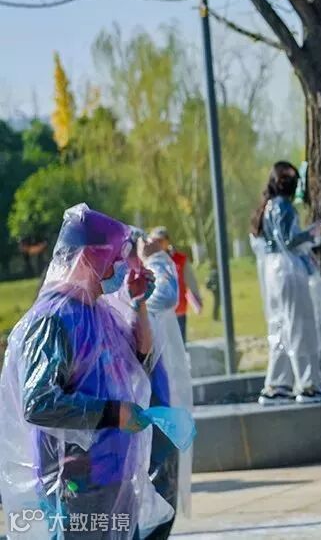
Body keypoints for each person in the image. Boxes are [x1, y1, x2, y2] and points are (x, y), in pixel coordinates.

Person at [0, 204, 173, 540]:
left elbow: (139, 360)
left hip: (113, 473)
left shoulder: (99, 312)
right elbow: (39, 402)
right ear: (89, 257)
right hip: (75, 479)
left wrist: (138, 302)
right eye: (115, 256)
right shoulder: (52, 320)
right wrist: (113, 413)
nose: (121, 265)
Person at [250, 161, 321, 406]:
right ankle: (309, 385)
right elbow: (290, 240)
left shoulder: (269, 207)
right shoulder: (284, 207)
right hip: (289, 272)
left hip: (274, 272)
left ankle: (277, 384)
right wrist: (313, 233)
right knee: (301, 327)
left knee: (282, 329)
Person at [136, 231, 194, 539]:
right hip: (148, 402)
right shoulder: (130, 291)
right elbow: (166, 295)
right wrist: (155, 259)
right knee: (159, 476)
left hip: (151, 400)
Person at [147, 226, 201, 343]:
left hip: (178, 310)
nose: (157, 244)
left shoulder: (180, 259)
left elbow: (191, 280)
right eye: (154, 241)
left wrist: (197, 299)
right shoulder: (147, 260)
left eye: (160, 241)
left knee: (179, 343)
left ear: (167, 241)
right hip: (156, 312)